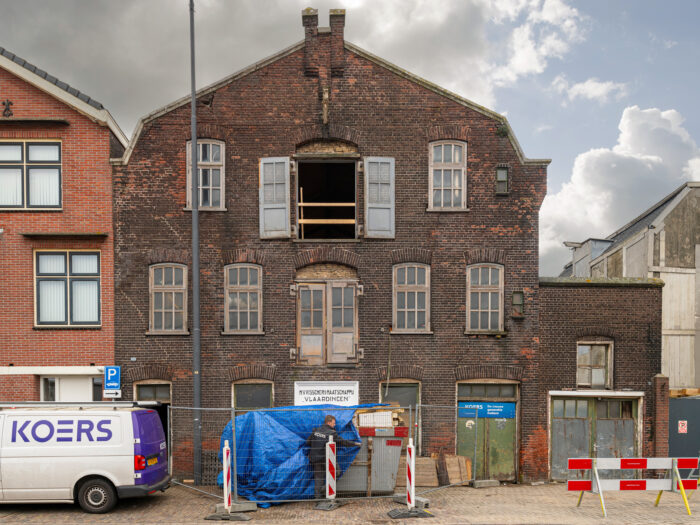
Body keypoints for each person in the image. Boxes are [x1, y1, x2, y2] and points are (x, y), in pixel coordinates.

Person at [306, 414, 361, 499]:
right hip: (325, 458)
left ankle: (318, 498)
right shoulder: (332, 433)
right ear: (329, 422)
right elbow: (343, 442)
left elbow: (308, 442)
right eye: (333, 423)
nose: (334, 425)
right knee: (337, 472)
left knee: (318, 478)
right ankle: (324, 489)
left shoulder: (316, 431)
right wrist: (355, 443)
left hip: (315, 458)